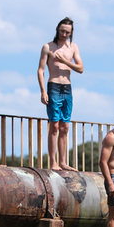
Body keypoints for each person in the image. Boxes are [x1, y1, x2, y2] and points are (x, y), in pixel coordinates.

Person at [37, 17, 84, 171]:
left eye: (67, 32)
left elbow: (80, 68)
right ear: (57, 29)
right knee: (54, 126)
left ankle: (63, 162)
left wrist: (65, 61)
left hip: (67, 88)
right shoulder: (48, 47)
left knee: (65, 127)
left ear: (71, 33)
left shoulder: (73, 47)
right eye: (62, 31)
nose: (64, 34)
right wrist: (43, 90)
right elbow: (41, 70)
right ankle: (53, 162)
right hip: (53, 86)